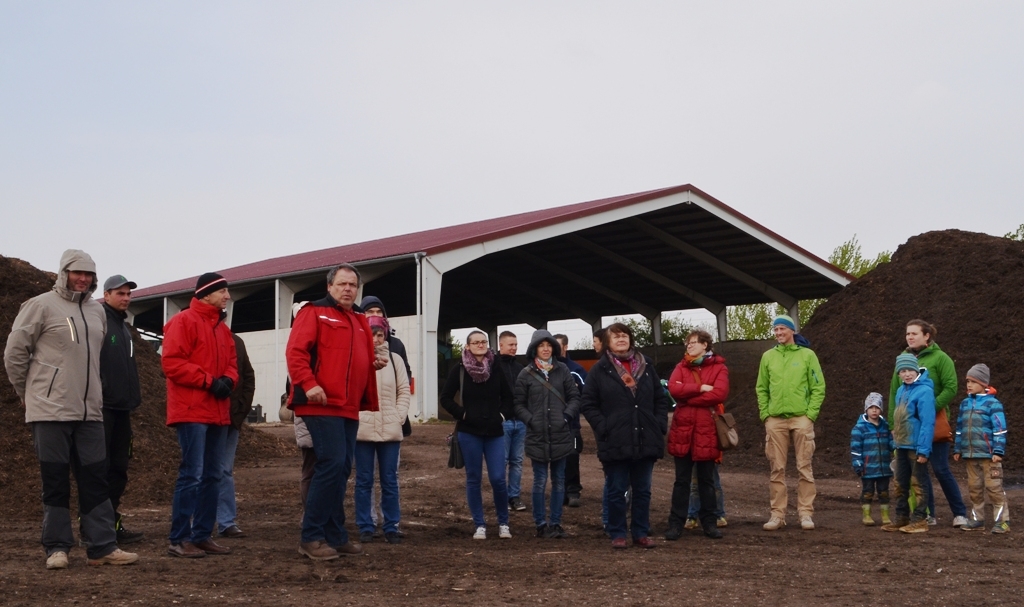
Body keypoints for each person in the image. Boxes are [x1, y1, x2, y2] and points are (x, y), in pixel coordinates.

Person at [4, 250, 139, 569]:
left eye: (89, 274)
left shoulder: (97, 313)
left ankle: (102, 547)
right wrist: (28, 393)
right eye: (77, 272)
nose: (83, 278)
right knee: (55, 480)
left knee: (96, 480)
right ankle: (57, 548)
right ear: (63, 273)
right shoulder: (39, 306)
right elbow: (14, 353)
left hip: (91, 412)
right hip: (50, 411)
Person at [286, 263, 382, 560]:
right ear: (329, 287)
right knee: (330, 463)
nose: (347, 289)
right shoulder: (313, 312)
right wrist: (308, 383)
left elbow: (354, 358)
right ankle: (310, 536)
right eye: (342, 284)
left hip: (347, 405)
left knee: (340, 468)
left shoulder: (358, 319)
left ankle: (335, 534)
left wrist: (372, 364)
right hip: (319, 402)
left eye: (352, 285)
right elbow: (296, 352)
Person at [162, 272, 239, 558]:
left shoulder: (222, 328)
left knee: (212, 475)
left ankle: (202, 534)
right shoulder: (183, 322)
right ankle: (179, 538)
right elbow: (171, 363)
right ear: (207, 294)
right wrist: (210, 381)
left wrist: (229, 380)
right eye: (223, 291)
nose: (227, 296)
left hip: (216, 411)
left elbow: (233, 363)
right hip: (192, 410)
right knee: (192, 475)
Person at [580, 322, 670, 549]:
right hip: (615, 439)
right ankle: (617, 532)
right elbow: (588, 404)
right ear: (608, 342)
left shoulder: (647, 365)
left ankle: (640, 532)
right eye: (616, 336)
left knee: (643, 490)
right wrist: (604, 427)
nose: (621, 339)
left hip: (645, 437)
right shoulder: (599, 370)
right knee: (616, 489)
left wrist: (658, 424)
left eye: (625, 335)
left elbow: (661, 399)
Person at [888, 319, 968, 528]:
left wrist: (930, 408)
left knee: (941, 468)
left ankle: (959, 513)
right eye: (907, 334)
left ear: (927, 336)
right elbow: (894, 394)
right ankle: (928, 514)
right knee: (917, 471)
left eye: (914, 333)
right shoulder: (903, 361)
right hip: (908, 428)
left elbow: (951, 387)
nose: (910, 337)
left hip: (935, 423)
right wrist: (892, 423)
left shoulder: (941, 358)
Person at [439, 330, 514, 540]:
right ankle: (479, 524)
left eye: (483, 342)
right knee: (473, 478)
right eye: (476, 342)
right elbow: (445, 398)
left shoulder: (496, 368)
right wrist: (462, 414)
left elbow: (509, 398)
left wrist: (501, 416)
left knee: (498, 479)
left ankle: (503, 523)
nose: (480, 345)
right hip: (469, 432)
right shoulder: (459, 370)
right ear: (467, 346)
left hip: (495, 433)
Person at [756, 314, 825, 531]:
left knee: (804, 467)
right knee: (777, 469)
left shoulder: (807, 355)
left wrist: (810, 415)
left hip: (801, 418)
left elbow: (818, 386)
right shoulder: (768, 357)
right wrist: (766, 415)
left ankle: (805, 513)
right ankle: (777, 515)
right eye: (775, 330)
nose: (778, 333)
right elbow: (761, 388)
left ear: (792, 331)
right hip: (775, 420)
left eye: (782, 329)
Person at [514, 330, 580, 539]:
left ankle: (556, 523)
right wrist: (531, 420)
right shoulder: (525, 374)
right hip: (537, 435)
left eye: (549, 345)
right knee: (539, 481)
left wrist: (566, 417)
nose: (545, 349)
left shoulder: (563, 371)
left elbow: (575, 398)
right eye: (541, 345)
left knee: (559, 480)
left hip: (561, 434)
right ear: (534, 348)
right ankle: (541, 524)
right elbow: (518, 403)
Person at [664, 329, 728, 540]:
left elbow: (719, 393)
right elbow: (673, 389)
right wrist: (700, 388)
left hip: (707, 432)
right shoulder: (680, 367)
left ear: (705, 345)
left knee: (706, 480)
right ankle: (676, 524)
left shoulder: (719, 367)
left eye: (693, 342)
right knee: (681, 481)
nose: (689, 346)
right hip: (684, 431)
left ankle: (709, 523)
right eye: (688, 343)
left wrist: (688, 398)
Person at [355, 317, 411, 544]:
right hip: (362, 428)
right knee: (363, 479)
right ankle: (365, 525)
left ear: (385, 335)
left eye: (380, 334)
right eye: (372, 334)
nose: (376, 339)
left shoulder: (395, 359)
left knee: (389, 479)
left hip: (390, 429)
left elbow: (404, 390)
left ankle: (391, 525)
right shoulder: (357, 356)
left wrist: (398, 417)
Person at [98, 274, 144, 545]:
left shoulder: (124, 328)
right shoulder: (99, 322)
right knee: (99, 469)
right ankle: (92, 527)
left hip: (123, 408)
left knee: (119, 468)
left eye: (128, 294)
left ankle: (111, 523)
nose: (125, 298)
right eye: (120, 293)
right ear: (106, 295)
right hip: (103, 408)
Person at [883, 353, 936, 533]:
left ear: (916, 370)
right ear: (898, 374)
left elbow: (927, 422)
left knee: (918, 483)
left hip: (915, 446)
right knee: (900, 483)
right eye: (903, 371)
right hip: (901, 444)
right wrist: (895, 441)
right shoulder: (901, 391)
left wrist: (923, 450)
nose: (907, 374)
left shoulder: (925, 391)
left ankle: (920, 519)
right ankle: (901, 517)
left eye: (910, 370)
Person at [954, 364, 1010, 533]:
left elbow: (1000, 428)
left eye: (973, 381)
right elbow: (959, 428)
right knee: (974, 489)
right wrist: (958, 448)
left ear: (983, 383)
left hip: (989, 456)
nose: (969, 385)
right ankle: (978, 519)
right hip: (970, 455)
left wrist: (998, 451)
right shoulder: (965, 404)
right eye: (967, 381)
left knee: (994, 489)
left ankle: (1002, 521)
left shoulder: (993, 404)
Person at [216, 333, 255, 539]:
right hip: (205, 417)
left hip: (230, 417)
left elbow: (248, 376)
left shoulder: (235, 342)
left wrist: (240, 411)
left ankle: (225, 521)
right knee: (200, 471)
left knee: (223, 470)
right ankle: (200, 523)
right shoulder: (196, 335)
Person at [850, 392, 894, 526]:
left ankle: (885, 516)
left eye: (877, 407)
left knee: (884, 493)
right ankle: (866, 515)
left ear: (881, 409)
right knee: (868, 492)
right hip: (867, 468)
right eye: (871, 407)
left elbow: (891, 444)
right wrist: (858, 465)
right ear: (866, 409)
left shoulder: (886, 427)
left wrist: (898, 446)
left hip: (884, 468)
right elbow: (855, 449)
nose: (874, 410)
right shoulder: (859, 428)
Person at [553, 333, 586, 508]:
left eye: (558, 346)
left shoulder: (577, 370)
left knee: (572, 457)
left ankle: (573, 491)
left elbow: (587, 394)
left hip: (571, 424)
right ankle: (559, 491)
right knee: (555, 458)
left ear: (566, 347)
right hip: (551, 424)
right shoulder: (546, 370)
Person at [496, 330, 527, 512]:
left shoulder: (521, 368)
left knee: (517, 461)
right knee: (502, 461)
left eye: (516, 344)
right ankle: (501, 497)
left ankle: (514, 497)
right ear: (501, 345)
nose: (514, 348)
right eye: (511, 344)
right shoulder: (493, 367)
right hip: (503, 422)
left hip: (520, 422)